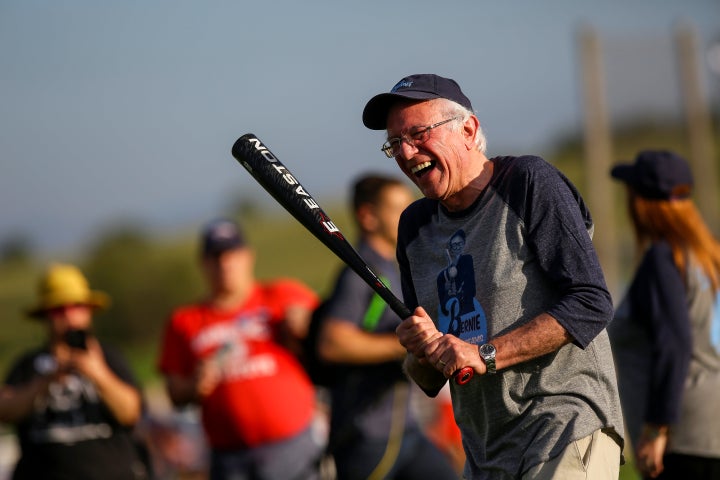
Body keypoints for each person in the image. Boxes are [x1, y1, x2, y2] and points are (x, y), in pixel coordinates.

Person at [361, 73, 625, 479]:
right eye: (395, 143)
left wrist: (485, 354)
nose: (408, 152)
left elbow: (590, 302)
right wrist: (419, 349)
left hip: (563, 426)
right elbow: (432, 376)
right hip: (485, 451)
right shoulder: (414, 227)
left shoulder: (528, 183)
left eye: (418, 133)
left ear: (468, 129)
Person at [157, 218, 326, 480]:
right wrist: (194, 385)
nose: (225, 264)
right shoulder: (185, 320)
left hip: (292, 447)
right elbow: (174, 393)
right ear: (203, 263)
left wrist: (306, 327)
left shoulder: (281, 295)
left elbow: (331, 336)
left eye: (232, 254)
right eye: (215, 257)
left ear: (248, 256)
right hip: (230, 459)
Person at [316, 174, 459, 479]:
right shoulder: (358, 275)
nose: (408, 215)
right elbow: (334, 342)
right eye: (397, 208)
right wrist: (406, 343)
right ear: (368, 216)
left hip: (406, 429)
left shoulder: (392, 267)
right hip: (365, 437)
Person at [608, 150, 720, 479]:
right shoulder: (708, 257)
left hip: (687, 435)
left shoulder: (662, 259)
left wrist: (656, 430)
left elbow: (675, 345)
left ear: (641, 203)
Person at [0, 263, 150, 480]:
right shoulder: (29, 364)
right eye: (59, 309)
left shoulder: (108, 357)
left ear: (89, 310)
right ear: (46, 315)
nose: (70, 316)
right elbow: (5, 410)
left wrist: (97, 373)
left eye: (77, 306)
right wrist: (47, 380)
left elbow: (132, 413)